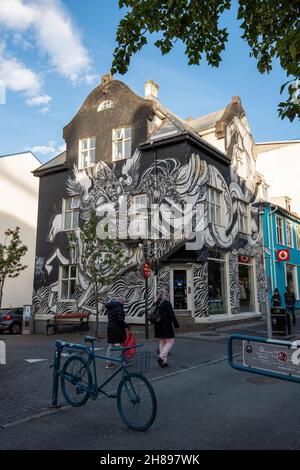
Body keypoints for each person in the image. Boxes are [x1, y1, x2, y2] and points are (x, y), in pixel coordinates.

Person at [154, 289, 179, 368]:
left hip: (158, 325)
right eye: (167, 293)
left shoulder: (156, 303)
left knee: (162, 341)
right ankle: (161, 357)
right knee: (171, 341)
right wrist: (176, 324)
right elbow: (171, 314)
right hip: (166, 325)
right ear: (165, 294)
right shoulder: (167, 303)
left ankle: (164, 362)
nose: (168, 294)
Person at [105, 296, 129, 368]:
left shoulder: (111, 306)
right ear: (121, 302)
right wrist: (126, 325)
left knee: (110, 345)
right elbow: (119, 319)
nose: (124, 304)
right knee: (122, 343)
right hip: (117, 329)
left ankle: (108, 363)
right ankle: (124, 361)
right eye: (124, 303)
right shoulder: (119, 308)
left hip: (110, 327)